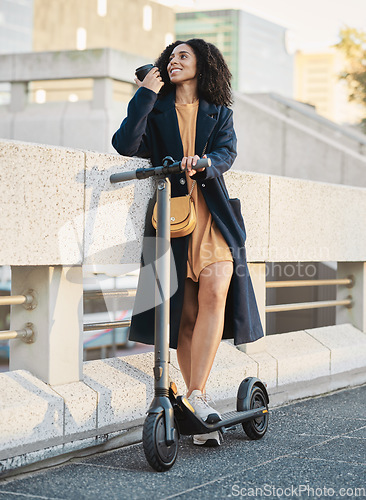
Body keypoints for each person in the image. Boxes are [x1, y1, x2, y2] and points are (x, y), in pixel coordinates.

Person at [112, 38, 264, 447]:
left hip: (214, 217)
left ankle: (195, 395)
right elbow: (125, 145)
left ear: (203, 66)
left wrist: (206, 163)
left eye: (184, 56)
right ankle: (199, 403)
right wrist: (146, 92)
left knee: (216, 289)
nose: (175, 61)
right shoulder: (155, 108)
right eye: (171, 57)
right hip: (174, 220)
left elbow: (227, 153)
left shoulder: (220, 113)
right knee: (186, 315)